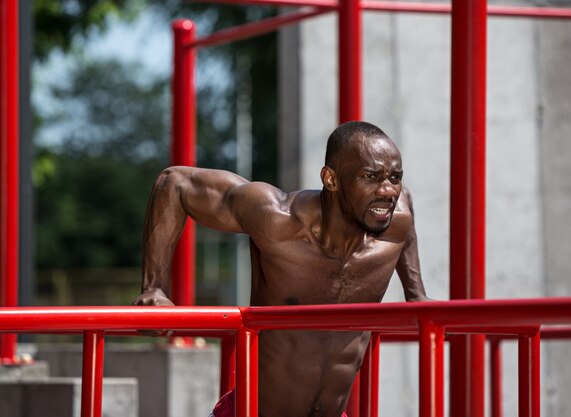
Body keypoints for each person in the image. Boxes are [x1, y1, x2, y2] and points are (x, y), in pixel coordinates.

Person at [133, 120, 428, 417]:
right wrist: (155, 287)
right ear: (331, 179)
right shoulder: (278, 220)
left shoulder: (396, 217)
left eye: (395, 177)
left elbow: (406, 218)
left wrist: (416, 295)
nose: (388, 190)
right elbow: (174, 183)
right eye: (371, 176)